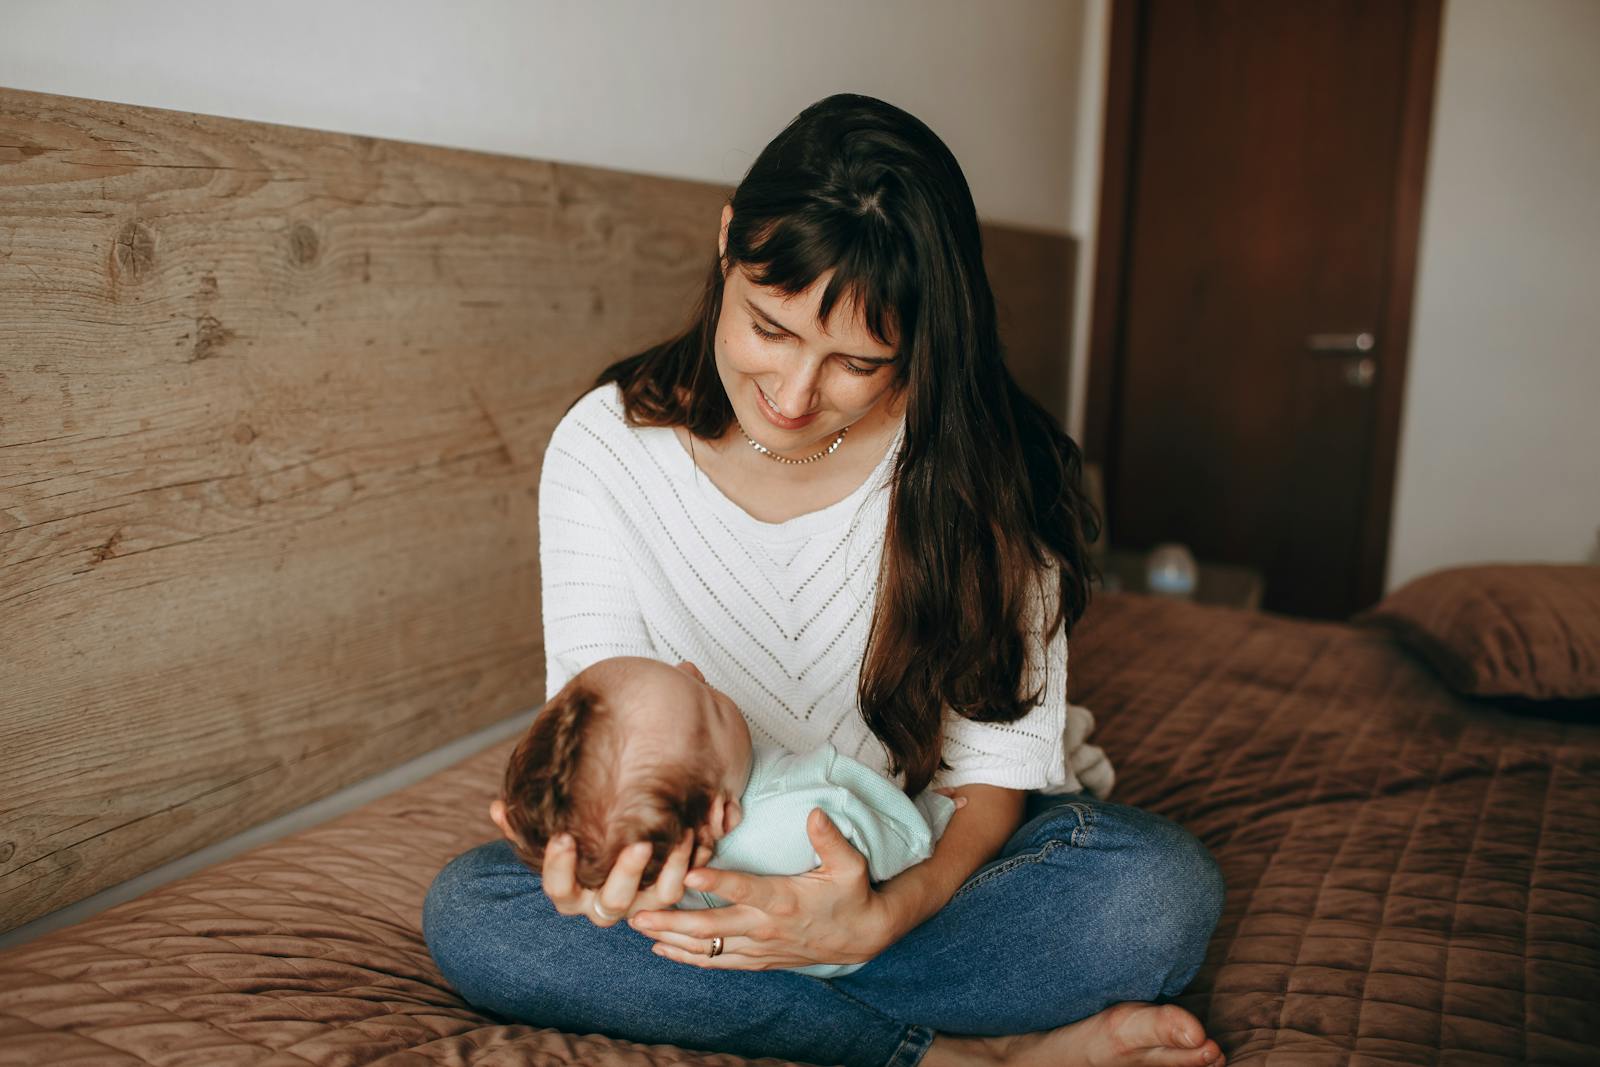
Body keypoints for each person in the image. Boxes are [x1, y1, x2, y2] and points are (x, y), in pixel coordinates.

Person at [424, 92, 1227, 1067]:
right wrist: (618, 873)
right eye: (769, 325)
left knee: (1153, 895)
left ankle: (815, 1003)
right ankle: (952, 1053)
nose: (795, 395)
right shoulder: (606, 448)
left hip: (925, 855)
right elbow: (615, 723)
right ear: (728, 244)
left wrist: (873, 918)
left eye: (857, 361)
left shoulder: (985, 469)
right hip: (717, 878)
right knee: (478, 911)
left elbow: (991, 772)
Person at [489, 654, 961, 978]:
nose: (691, 668)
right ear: (722, 812)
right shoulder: (812, 808)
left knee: (484, 910)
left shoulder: (659, 874)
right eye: (709, 703)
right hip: (888, 958)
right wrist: (937, 812)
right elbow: (911, 841)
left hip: (760, 975)